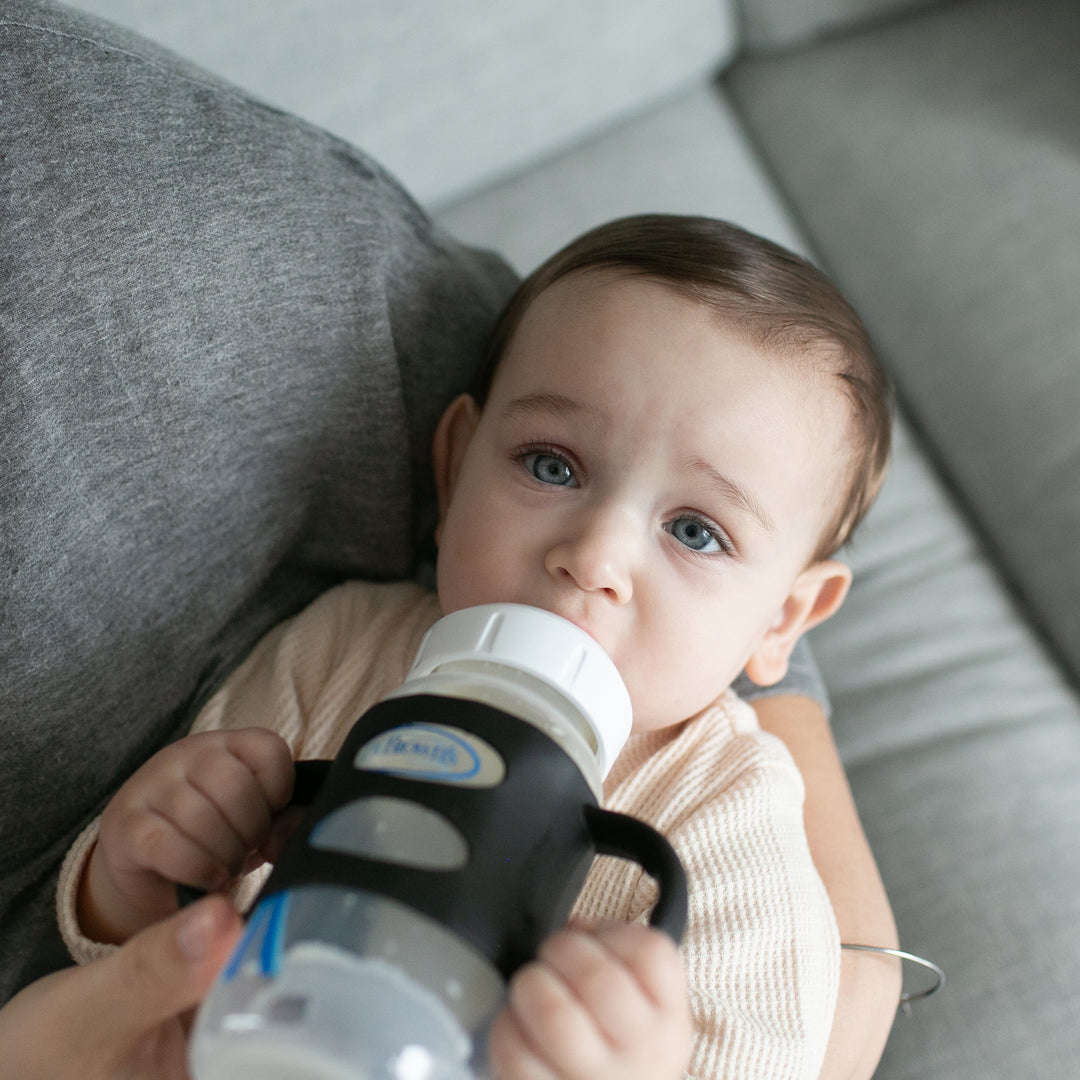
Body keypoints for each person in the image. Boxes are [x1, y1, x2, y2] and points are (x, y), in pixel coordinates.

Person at [51, 215, 898, 1080]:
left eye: (694, 530)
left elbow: (767, 1054)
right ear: (454, 471)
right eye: (552, 466)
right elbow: (131, 969)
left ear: (782, 622)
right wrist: (131, 883)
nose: (595, 557)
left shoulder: (731, 812)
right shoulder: (340, 648)